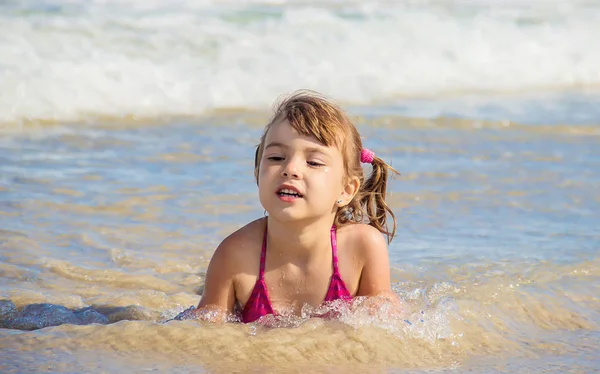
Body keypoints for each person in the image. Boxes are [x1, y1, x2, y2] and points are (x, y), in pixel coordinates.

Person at [194, 90, 400, 323]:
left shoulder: (361, 247)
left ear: (346, 190)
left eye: (313, 162)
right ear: (257, 173)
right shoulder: (236, 254)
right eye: (275, 158)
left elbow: (384, 331)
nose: (290, 169)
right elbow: (203, 334)